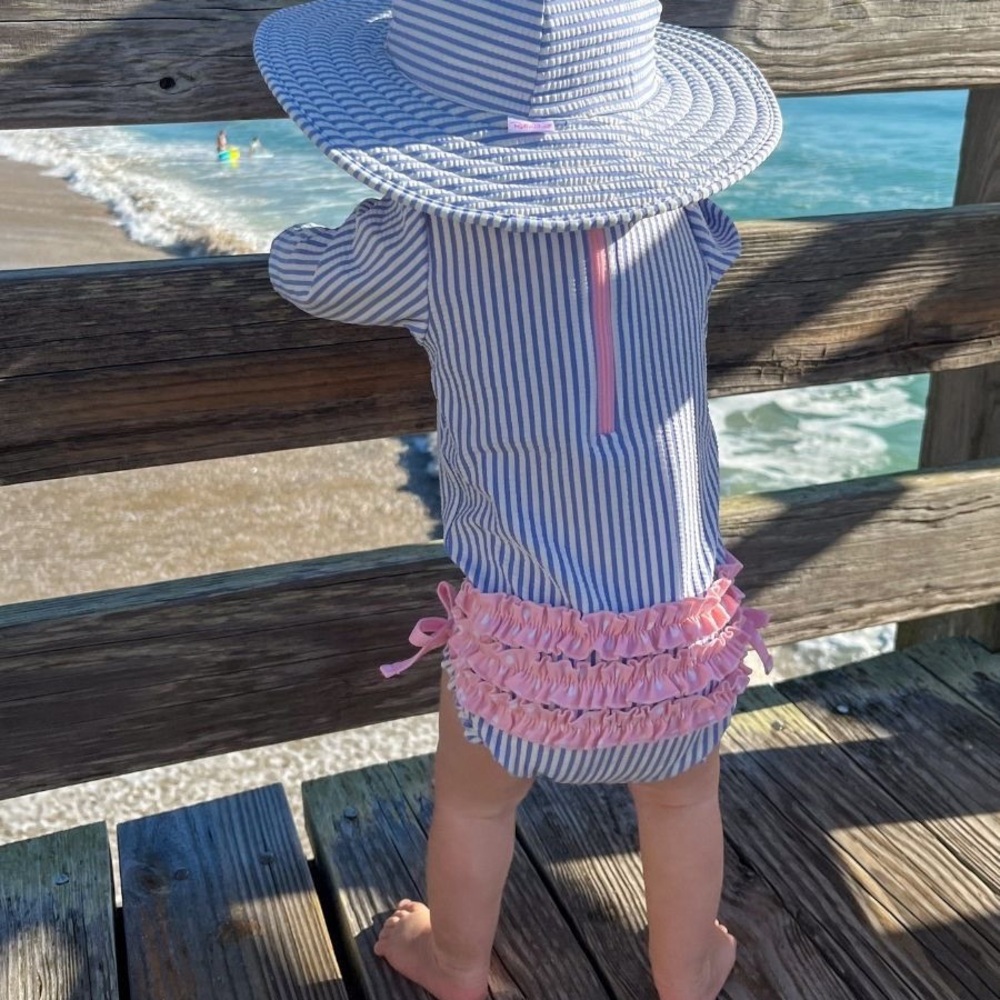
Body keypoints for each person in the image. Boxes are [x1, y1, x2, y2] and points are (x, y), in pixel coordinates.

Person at [254, 1, 782, 998]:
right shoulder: (672, 214)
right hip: (679, 631)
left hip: (521, 637)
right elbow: (722, 240)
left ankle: (453, 959)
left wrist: (350, 221)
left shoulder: (424, 234)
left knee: (476, 808)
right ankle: (686, 964)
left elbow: (308, 272)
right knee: (680, 804)